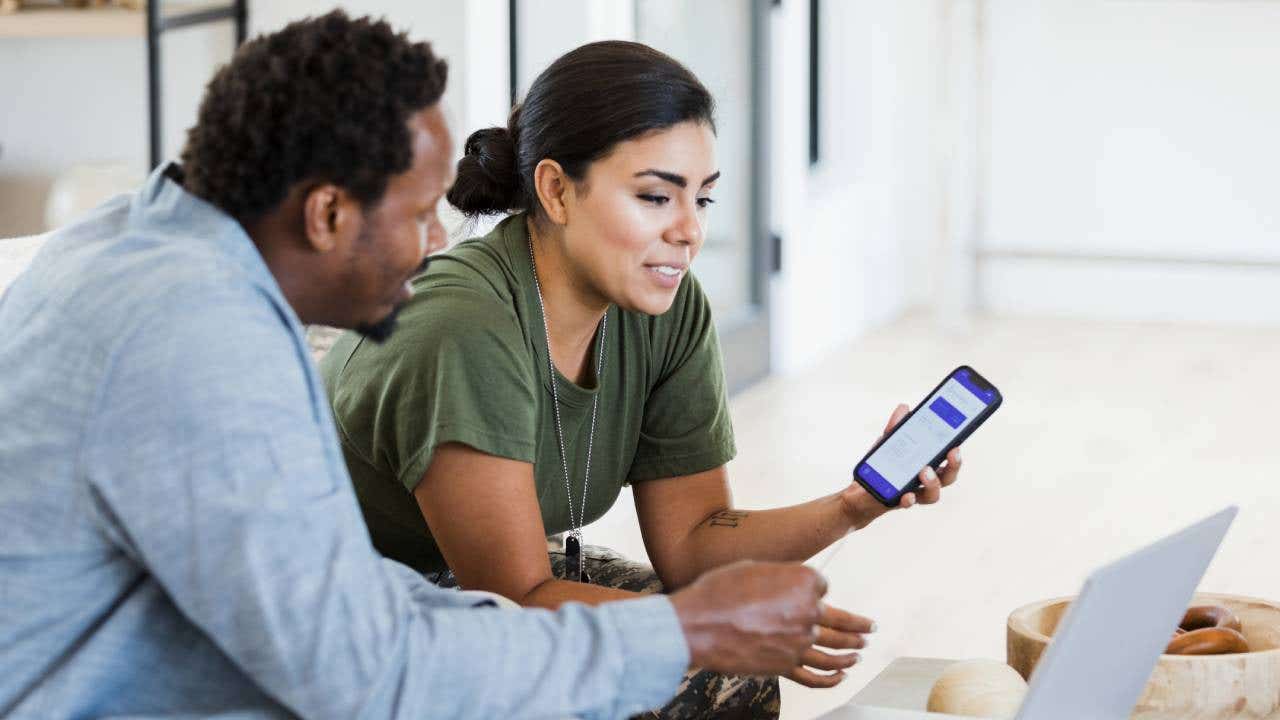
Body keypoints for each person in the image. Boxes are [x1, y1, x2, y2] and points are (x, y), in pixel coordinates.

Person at [0, 13, 867, 719]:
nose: (435, 243)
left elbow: (349, 616)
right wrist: (680, 634)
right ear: (328, 212)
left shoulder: (145, 237)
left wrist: (706, 609)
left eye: (700, 196)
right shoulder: (197, 342)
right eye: (418, 214)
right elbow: (365, 671)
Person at [321, 40, 958, 719]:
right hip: (348, 604)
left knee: (728, 677)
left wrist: (853, 506)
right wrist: (713, 630)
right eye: (656, 196)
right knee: (696, 665)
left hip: (487, 584)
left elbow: (694, 544)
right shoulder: (465, 327)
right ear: (557, 190)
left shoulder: (666, 308)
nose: (688, 231)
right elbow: (513, 600)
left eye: (702, 200)